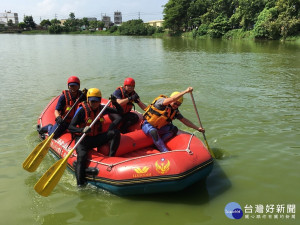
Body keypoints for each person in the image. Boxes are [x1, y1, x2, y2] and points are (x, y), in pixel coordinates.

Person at [68, 88, 123, 187]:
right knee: (82, 157)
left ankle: (111, 158)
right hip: (83, 140)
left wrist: (115, 102)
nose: (95, 103)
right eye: (92, 101)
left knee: (115, 133)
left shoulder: (102, 108)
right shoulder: (82, 111)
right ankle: (80, 184)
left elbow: (120, 112)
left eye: (97, 101)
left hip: (95, 138)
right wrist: (82, 130)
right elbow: (70, 127)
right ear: (88, 100)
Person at [142, 87, 205, 152]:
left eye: (178, 105)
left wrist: (198, 128)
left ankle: (158, 144)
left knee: (174, 129)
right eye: (175, 103)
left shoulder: (175, 111)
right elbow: (172, 99)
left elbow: (184, 121)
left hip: (160, 127)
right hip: (148, 125)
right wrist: (185, 91)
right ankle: (164, 151)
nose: (176, 106)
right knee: (153, 131)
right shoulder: (161, 102)